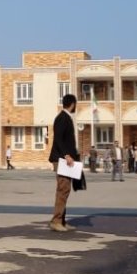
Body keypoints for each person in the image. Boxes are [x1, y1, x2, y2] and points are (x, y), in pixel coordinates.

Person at [49, 94, 80, 232]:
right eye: (75, 104)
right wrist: (66, 155)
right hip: (61, 159)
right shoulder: (62, 118)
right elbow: (58, 139)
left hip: (66, 160)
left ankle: (61, 220)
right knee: (63, 189)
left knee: (65, 190)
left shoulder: (66, 117)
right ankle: (56, 221)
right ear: (72, 104)